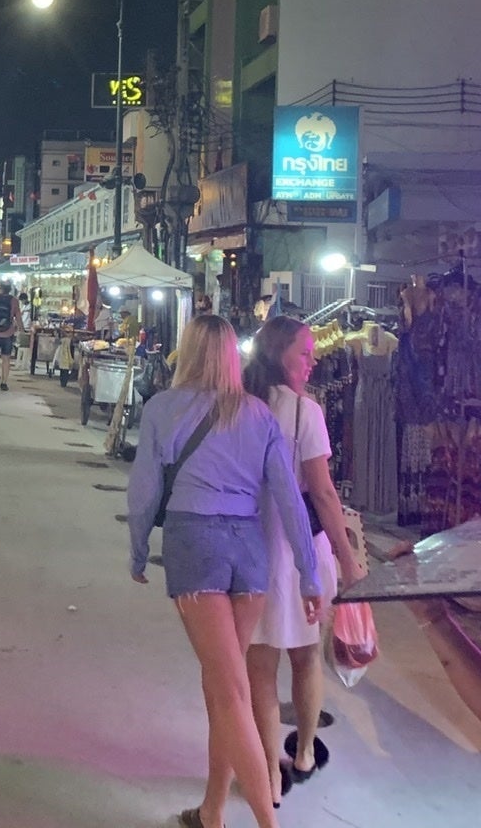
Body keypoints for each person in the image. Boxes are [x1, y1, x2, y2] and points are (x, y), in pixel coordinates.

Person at [126, 315, 321, 828]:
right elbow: (290, 499)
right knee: (223, 685)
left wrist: (138, 549)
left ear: (188, 351)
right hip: (248, 550)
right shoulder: (258, 415)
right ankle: (213, 809)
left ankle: (266, 821)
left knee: (229, 689)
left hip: (196, 546)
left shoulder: (163, 408)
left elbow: (144, 491)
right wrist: (308, 573)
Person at [243, 317, 361, 800]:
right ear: (279, 354)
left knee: (260, 667)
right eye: (305, 353)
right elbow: (324, 495)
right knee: (306, 656)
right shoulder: (303, 412)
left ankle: (269, 774)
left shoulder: (239, 404)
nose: (312, 362)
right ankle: (306, 752)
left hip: (249, 551)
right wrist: (350, 561)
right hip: (300, 555)